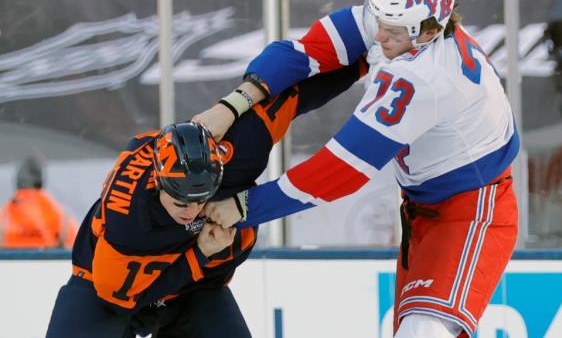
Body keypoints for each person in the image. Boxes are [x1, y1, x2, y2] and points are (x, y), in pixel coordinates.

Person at [193, 0, 519, 338]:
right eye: (377, 21)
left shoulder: (424, 78)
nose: (377, 35)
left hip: (473, 208)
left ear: (428, 32)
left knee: (423, 329)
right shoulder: (404, 22)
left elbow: (341, 170)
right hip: (425, 207)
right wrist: (232, 104)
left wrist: (243, 207)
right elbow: (301, 52)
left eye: (391, 31)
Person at [45, 59, 367, 338]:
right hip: (107, 291)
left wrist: (365, 61)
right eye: (181, 202)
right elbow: (121, 296)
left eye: (202, 199)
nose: (193, 211)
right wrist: (199, 255)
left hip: (194, 292)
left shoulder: (238, 150)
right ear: (158, 183)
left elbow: (295, 93)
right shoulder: (127, 219)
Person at [0, 157, 78, 249]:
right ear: (41, 181)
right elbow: (78, 252)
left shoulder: (3, 216)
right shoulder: (63, 219)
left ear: (17, 182)